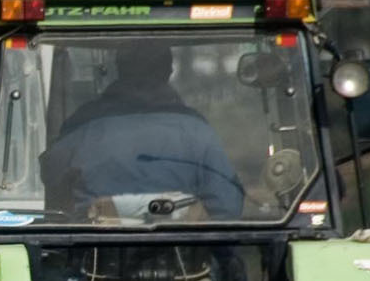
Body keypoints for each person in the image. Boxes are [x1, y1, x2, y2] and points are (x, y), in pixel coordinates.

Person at [40, 42, 244, 219]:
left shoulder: (82, 127)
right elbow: (226, 207)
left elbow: (51, 182)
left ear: (119, 69)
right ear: (168, 71)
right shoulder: (197, 131)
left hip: (95, 255)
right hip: (184, 257)